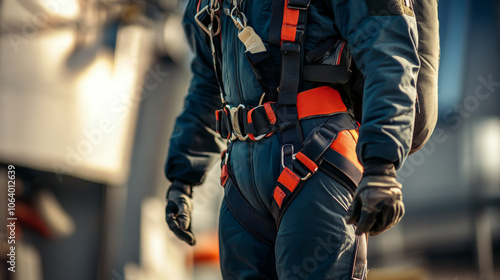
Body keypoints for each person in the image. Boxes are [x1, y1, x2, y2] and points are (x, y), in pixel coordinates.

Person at [164, 0, 433, 279]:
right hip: (240, 182)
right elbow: (208, 83)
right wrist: (182, 179)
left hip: (318, 164)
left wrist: (381, 168)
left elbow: (387, 56)